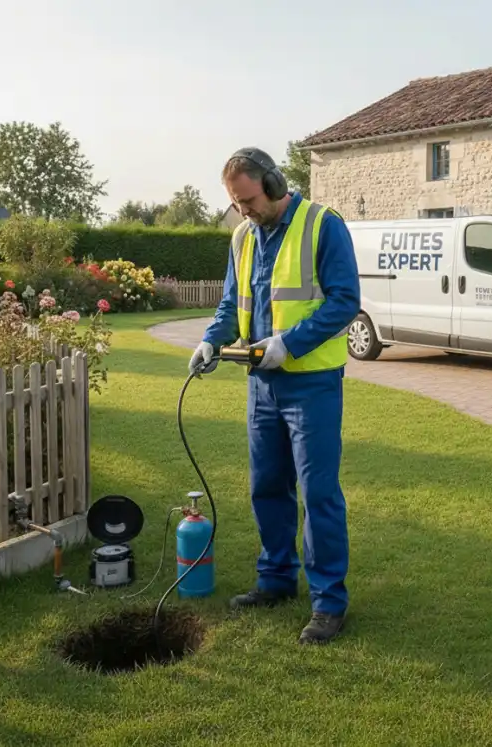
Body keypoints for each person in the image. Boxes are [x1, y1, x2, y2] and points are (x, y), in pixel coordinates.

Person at [188, 147, 361, 645]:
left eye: (248, 200)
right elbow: (230, 302)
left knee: (319, 494)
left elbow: (345, 300)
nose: (243, 211)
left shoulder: (323, 225)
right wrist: (211, 339)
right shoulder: (242, 237)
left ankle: (329, 603)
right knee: (267, 486)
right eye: (236, 204)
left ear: (275, 182)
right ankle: (277, 580)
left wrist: (289, 344)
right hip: (260, 384)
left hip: (312, 386)